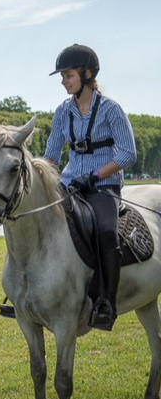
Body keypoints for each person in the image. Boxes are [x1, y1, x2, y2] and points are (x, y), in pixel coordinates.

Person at [44, 44, 136, 331]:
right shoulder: (62, 112)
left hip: (103, 186)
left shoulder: (111, 109)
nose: (64, 81)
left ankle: (107, 302)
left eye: (68, 75)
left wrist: (95, 176)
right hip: (69, 183)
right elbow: (51, 155)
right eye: (62, 76)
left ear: (87, 74)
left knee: (107, 232)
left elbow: (127, 154)